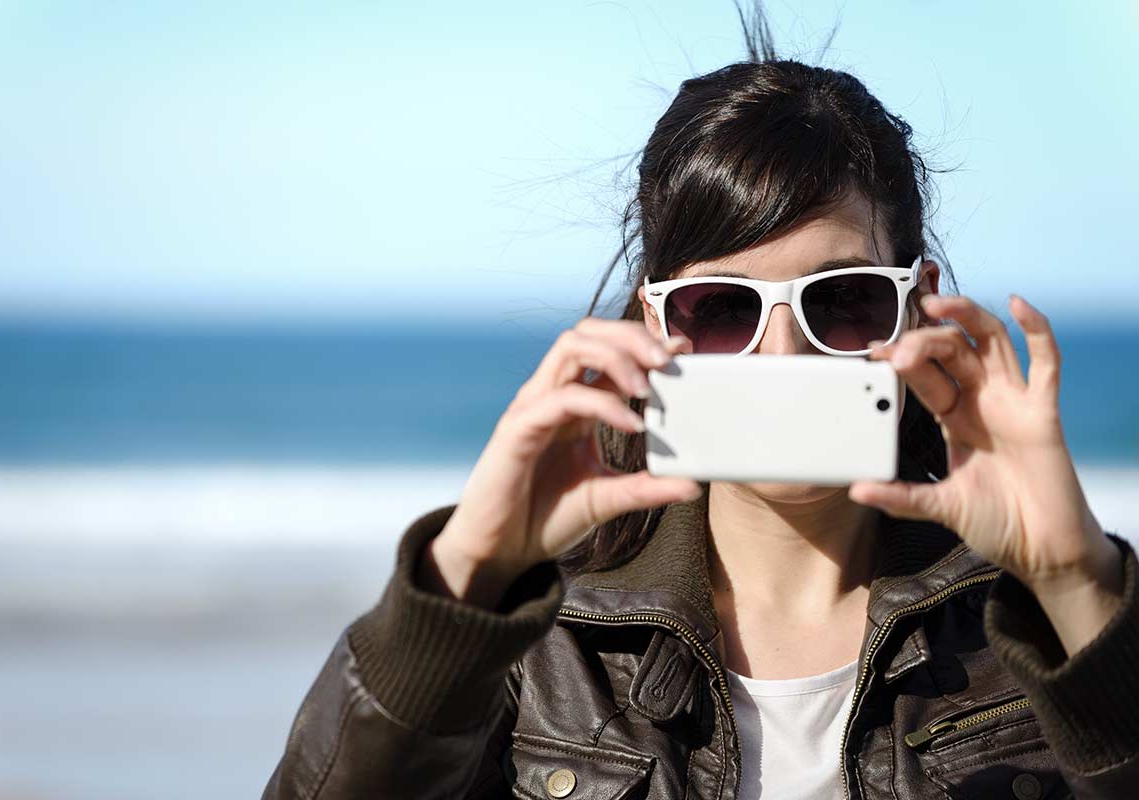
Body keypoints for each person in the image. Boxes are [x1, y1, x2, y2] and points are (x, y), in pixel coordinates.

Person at [262, 9, 1138, 799]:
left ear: (920, 303)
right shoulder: (541, 653)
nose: (784, 354)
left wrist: (1074, 583)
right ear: (655, 321)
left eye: (844, 301)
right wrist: (465, 577)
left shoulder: (1044, 627)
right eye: (722, 310)